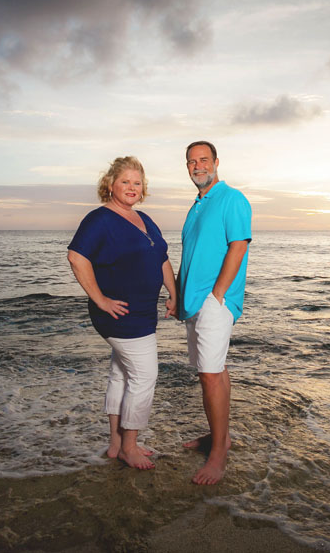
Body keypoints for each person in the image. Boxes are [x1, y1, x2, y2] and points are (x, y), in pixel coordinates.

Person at [67, 156, 177, 470]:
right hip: (121, 315)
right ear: (111, 185)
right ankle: (130, 446)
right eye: (125, 182)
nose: (131, 188)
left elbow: (162, 258)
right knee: (144, 376)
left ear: (143, 189)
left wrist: (174, 291)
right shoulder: (100, 219)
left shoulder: (144, 219)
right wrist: (100, 298)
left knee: (122, 375)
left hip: (143, 313)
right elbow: (77, 257)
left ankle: (116, 443)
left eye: (137, 183)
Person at [176, 141, 252, 484]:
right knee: (212, 372)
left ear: (217, 162)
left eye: (203, 160)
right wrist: (177, 295)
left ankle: (218, 453)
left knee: (209, 373)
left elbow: (239, 246)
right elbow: (190, 256)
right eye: (192, 161)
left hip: (213, 301)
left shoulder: (232, 198)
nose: (197, 166)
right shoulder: (196, 206)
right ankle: (218, 436)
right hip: (193, 302)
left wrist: (218, 294)